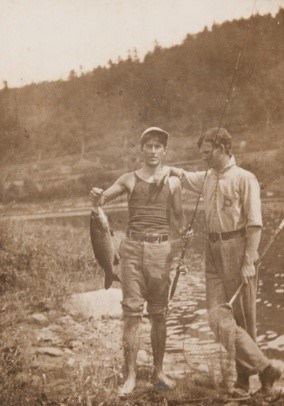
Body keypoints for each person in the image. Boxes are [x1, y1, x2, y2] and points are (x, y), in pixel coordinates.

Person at [155, 127, 282, 398]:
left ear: (222, 150)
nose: (202, 157)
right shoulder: (208, 176)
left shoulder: (245, 178)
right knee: (216, 317)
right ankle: (265, 368)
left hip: (238, 248)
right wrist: (166, 168)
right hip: (211, 251)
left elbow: (255, 224)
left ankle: (247, 382)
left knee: (244, 321)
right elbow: (186, 176)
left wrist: (249, 260)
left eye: (206, 152)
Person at [89, 127, 187, 398]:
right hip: (131, 250)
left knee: (159, 314)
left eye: (158, 146)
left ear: (164, 151)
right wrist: (96, 196)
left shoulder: (174, 182)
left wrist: (185, 232)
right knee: (132, 314)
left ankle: (158, 372)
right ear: (141, 149)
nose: (153, 151)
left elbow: (178, 217)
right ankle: (130, 375)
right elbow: (102, 200)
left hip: (161, 251)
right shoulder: (129, 179)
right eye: (149, 146)